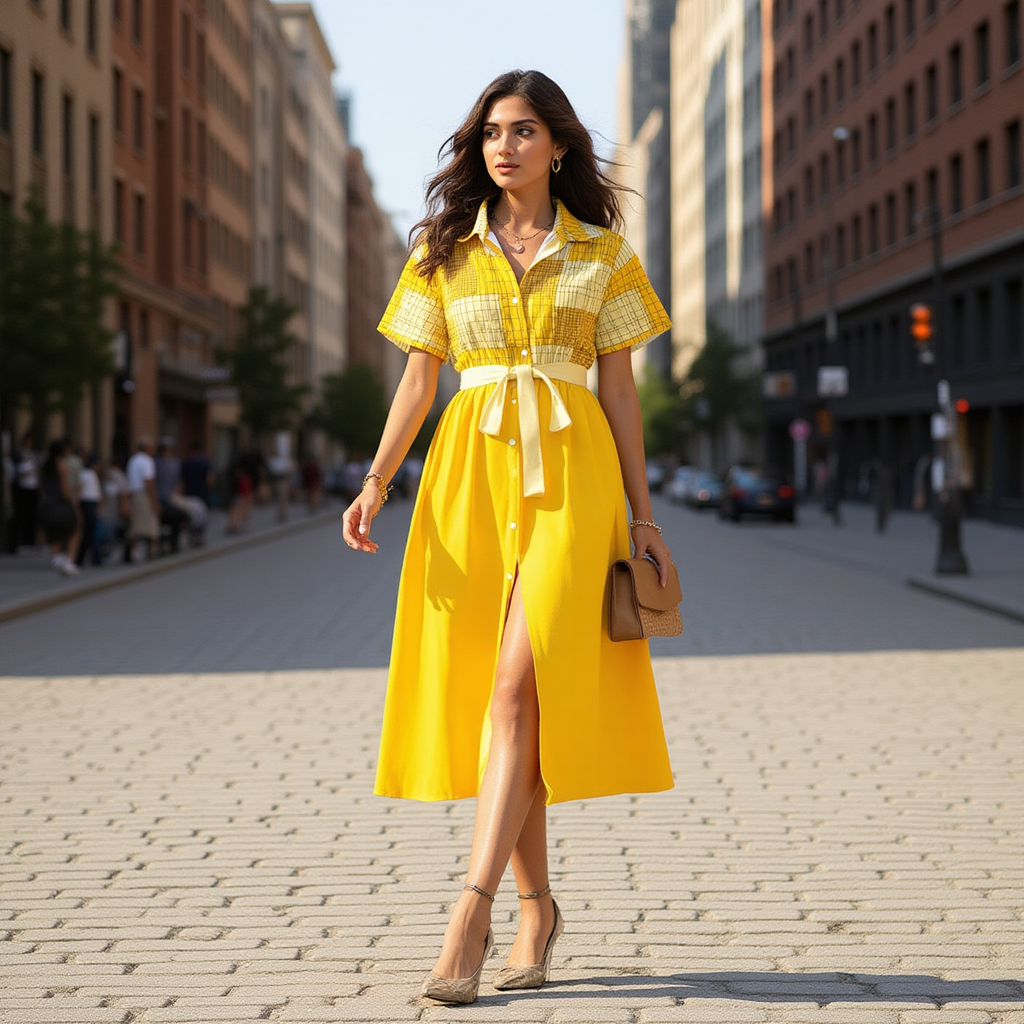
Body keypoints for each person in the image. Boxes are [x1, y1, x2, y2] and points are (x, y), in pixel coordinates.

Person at [342, 70, 675, 1005]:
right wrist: (375, 482)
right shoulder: (443, 250)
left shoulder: (603, 252)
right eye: (492, 131)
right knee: (509, 705)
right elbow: (417, 381)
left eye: (525, 130)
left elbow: (619, 394)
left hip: (575, 480)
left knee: (517, 684)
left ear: (558, 145)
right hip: (468, 479)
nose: (505, 146)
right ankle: (539, 905)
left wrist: (644, 519)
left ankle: (471, 911)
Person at [38, 439, 81, 575]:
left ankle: (56, 559)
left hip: (48, 504)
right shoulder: (62, 465)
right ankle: (69, 560)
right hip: (61, 503)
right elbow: (65, 489)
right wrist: (73, 501)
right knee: (76, 528)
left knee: (55, 532)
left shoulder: (44, 465)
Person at [126, 437, 160, 561]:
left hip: (133, 493)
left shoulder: (133, 460)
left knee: (135, 523)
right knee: (151, 522)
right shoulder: (147, 461)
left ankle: (133, 550)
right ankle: (151, 549)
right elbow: (148, 481)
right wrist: (154, 500)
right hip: (143, 494)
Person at [13, 432, 41, 549]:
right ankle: (22, 540)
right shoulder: (18, 454)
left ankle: (31, 540)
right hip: (22, 487)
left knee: (32, 514)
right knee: (23, 513)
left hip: (32, 487)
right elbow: (15, 472)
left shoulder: (32, 455)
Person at [75, 453, 103, 567]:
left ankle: (93, 557)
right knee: (87, 532)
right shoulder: (85, 474)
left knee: (92, 532)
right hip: (87, 503)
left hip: (92, 503)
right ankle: (81, 558)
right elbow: (80, 490)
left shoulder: (92, 475)